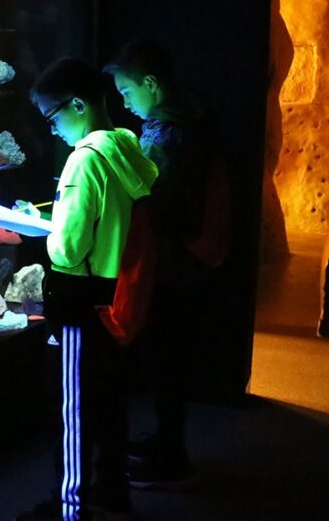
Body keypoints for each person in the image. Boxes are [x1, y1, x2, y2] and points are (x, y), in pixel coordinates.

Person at [17, 58, 158, 521]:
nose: (52, 129)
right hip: (115, 294)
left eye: (52, 116)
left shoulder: (83, 160)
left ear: (78, 105)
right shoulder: (128, 145)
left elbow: (68, 251)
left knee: (73, 407)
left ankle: (70, 508)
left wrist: (45, 228)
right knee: (111, 401)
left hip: (79, 301)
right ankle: (112, 490)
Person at [103, 39, 210, 489]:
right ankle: (168, 440)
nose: (125, 103)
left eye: (127, 92)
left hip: (168, 263)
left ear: (151, 84)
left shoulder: (166, 134)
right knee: (169, 359)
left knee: (165, 358)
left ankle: (170, 455)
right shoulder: (191, 119)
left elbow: (151, 197)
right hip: (185, 261)